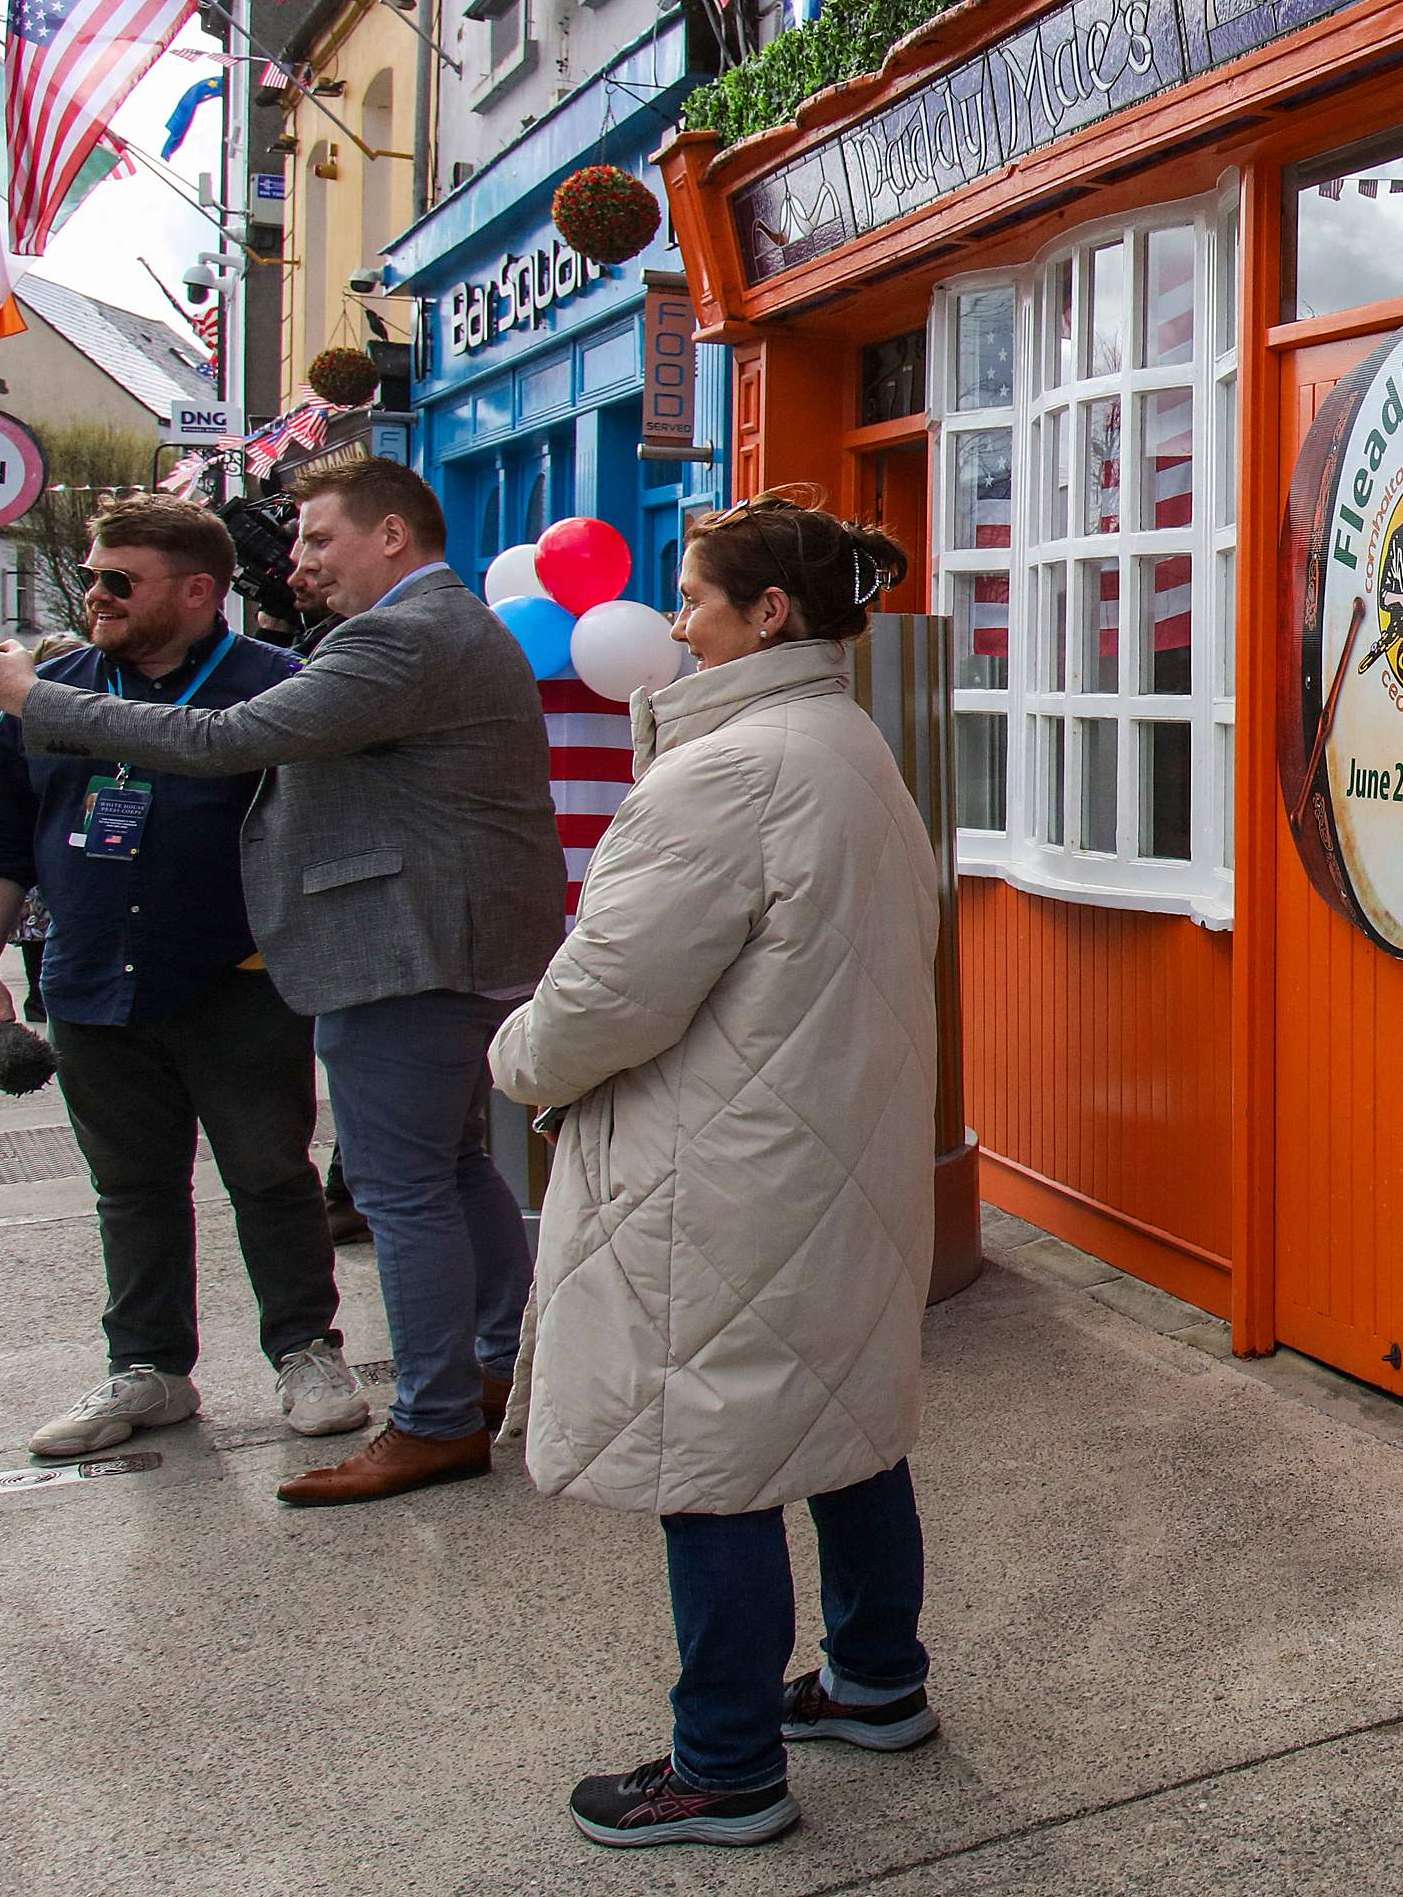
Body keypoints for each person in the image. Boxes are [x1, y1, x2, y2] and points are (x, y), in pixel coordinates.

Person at [0, 457, 566, 1507]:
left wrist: (27, 697)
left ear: (390, 537)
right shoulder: (447, 628)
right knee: (453, 1169)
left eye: (319, 539)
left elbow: (226, 740)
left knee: (397, 1187)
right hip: (438, 948)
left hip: (404, 953)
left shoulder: (396, 636)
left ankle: (434, 1416)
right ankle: (498, 1361)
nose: (300, 559)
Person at [489, 497, 938, 1851]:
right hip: (824, 1140)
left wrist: (517, 1058)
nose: (674, 625)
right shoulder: (847, 742)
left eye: (693, 598)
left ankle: (725, 1763)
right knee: (844, 1415)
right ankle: (876, 1681)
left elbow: (607, 996)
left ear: (770, 617)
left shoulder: (728, 768)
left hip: (723, 1168)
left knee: (714, 1446)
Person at [0, 496, 365, 1459]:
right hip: (92, 981)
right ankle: (150, 1369)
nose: (95, 594)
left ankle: (306, 1349)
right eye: (92, 576)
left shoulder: (274, 685)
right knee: (131, 1188)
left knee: (270, 1176)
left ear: (198, 590)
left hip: (239, 981)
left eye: (118, 580)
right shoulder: (44, 693)